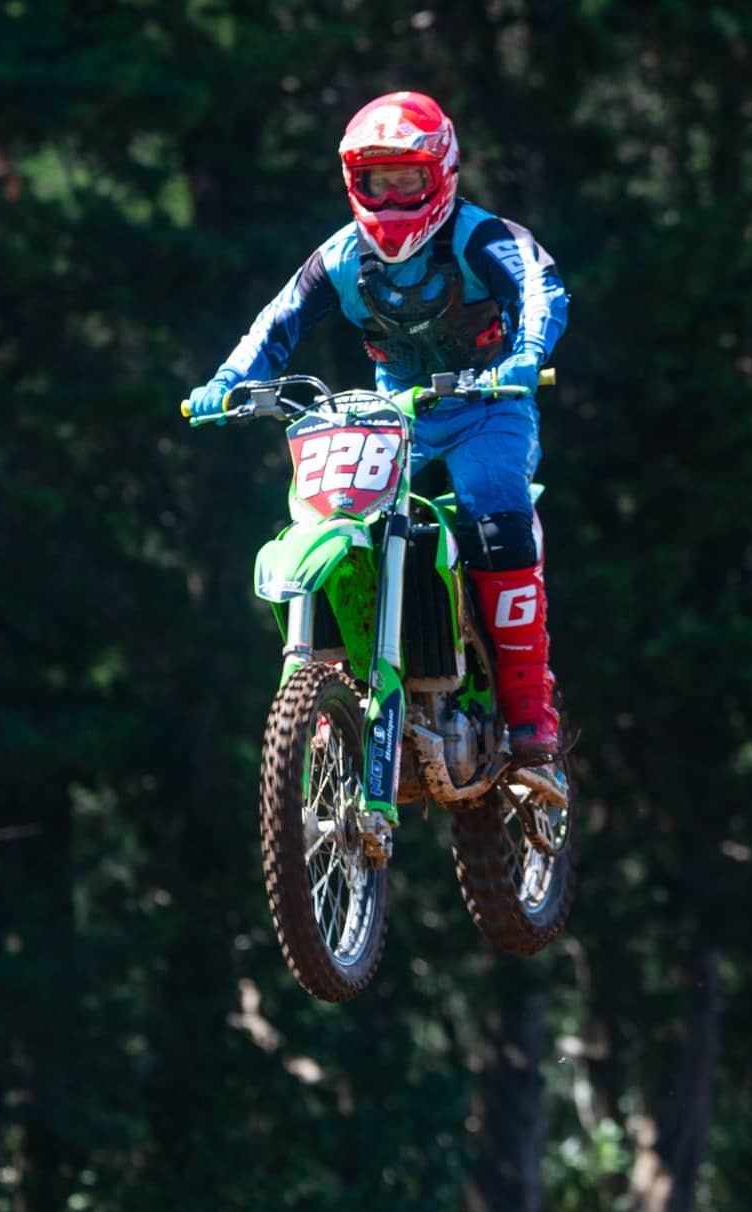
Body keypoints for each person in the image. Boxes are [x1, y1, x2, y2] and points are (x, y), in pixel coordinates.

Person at [185, 91, 570, 761]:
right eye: (376, 181)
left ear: (441, 174)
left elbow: (541, 286)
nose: (391, 199)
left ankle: (527, 701)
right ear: (352, 182)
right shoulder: (339, 257)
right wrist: (227, 382)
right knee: (338, 514)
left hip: (489, 405)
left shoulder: (482, 238)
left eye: (406, 180)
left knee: (492, 507)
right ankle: (342, 684)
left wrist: (527, 355)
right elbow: (277, 323)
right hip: (396, 415)